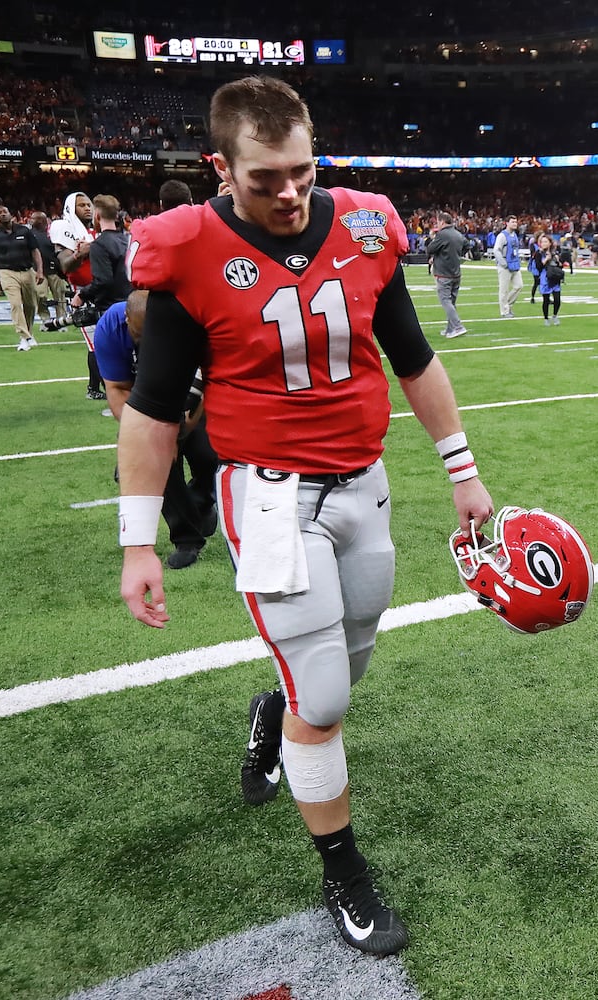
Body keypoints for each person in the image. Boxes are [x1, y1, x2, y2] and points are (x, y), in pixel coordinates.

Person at [118, 76, 493, 958]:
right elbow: (154, 405)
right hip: (271, 495)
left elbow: (412, 354)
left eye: (301, 170)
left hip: (365, 484)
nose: (288, 193)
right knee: (322, 696)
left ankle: (274, 712)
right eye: (263, 179)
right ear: (220, 167)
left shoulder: (366, 223)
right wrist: (139, 537)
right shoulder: (184, 247)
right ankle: (344, 872)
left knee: (340, 674)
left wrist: (462, 470)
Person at [97, 291, 218, 568]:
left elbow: (210, 375)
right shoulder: (110, 328)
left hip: (190, 394)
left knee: (209, 456)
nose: (148, 343)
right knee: (157, 462)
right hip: (146, 404)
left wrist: (187, 420)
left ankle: (202, 501)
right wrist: (140, 435)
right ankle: (187, 539)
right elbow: (116, 390)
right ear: (127, 320)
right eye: (140, 336)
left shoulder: (188, 318)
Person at [50, 191, 104, 399]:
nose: (87, 208)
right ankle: (96, 389)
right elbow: (65, 264)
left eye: (89, 204)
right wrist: (80, 253)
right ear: (70, 208)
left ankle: (99, 387)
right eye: (81, 205)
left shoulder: (94, 231)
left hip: (103, 290)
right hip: (83, 293)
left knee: (108, 341)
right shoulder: (63, 228)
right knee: (96, 344)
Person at [0, 205, 44, 352]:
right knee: (16, 304)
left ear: (10, 213)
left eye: (5, 211)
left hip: (26, 270)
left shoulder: (25, 231)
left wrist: (39, 271)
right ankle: (25, 337)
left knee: (30, 305)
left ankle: (28, 333)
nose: (3, 214)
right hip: (6, 272)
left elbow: (35, 251)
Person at [71, 194, 131, 314]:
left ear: (97, 216)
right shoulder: (127, 240)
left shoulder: (99, 245)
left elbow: (103, 281)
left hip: (111, 310)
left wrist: (82, 294)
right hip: (131, 305)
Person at [426, 211, 469, 338]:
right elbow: (468, 245)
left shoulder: (442, 235)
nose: (437, 224)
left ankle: (458, 326)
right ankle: (450, 329)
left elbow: (430, 249)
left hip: (444, 274)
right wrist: (456, 255)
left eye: (438, 222)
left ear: (442, 222)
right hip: (456, 273)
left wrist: (432, 238)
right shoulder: (458, 233)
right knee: (452, 302)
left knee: (445, 301)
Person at [31, 211, 68, 324]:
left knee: (60, 296)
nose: (32, 221)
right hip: (37, 270)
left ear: (42, 220)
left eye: (35, 219)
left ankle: (61, 320)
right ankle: (45, 319)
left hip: (55, 270)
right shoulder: (29, 234)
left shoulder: (53, 233)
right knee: (40, 295)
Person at [493, 215, 522, 317]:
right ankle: (504, 311)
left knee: (519, 286)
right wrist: (503, 263)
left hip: (514, 264)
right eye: (513, 222)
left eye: (516, 222)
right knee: (504, 289)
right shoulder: (502, 236)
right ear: (507, 223)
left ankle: (507, 305)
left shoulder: (514, 235)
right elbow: (496, 250)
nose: (515, 224)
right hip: (505, 265)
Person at [533, 233, 564, 326]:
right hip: (545, 278)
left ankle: (555, 315)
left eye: (546, 242)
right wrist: (546, 259)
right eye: (542, 242)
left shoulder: (555, 253)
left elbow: (560, 266)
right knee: (546, 300)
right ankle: (546, 318)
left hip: (554, 278)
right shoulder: (538, 253)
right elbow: (538, 267)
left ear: (550, 243)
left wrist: (558, 261)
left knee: (557, 300)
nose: (543, 243)